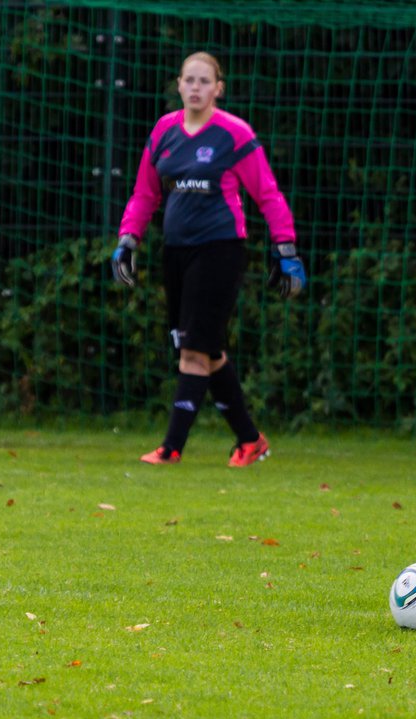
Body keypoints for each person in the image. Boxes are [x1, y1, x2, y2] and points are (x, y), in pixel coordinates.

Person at [111, 51, 305, 466]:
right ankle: (250, 440)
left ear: (218, 88)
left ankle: (171, 448)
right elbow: (145, 192)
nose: (196, 88)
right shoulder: (164, 131)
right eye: (189, 80)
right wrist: (128, 238)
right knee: (204, 347)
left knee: (194, 350)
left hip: (220, 250)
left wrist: (285, 248)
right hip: (175, 251)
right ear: (178, 85)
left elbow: (267, 193)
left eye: (204, 81)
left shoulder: (233, 134)